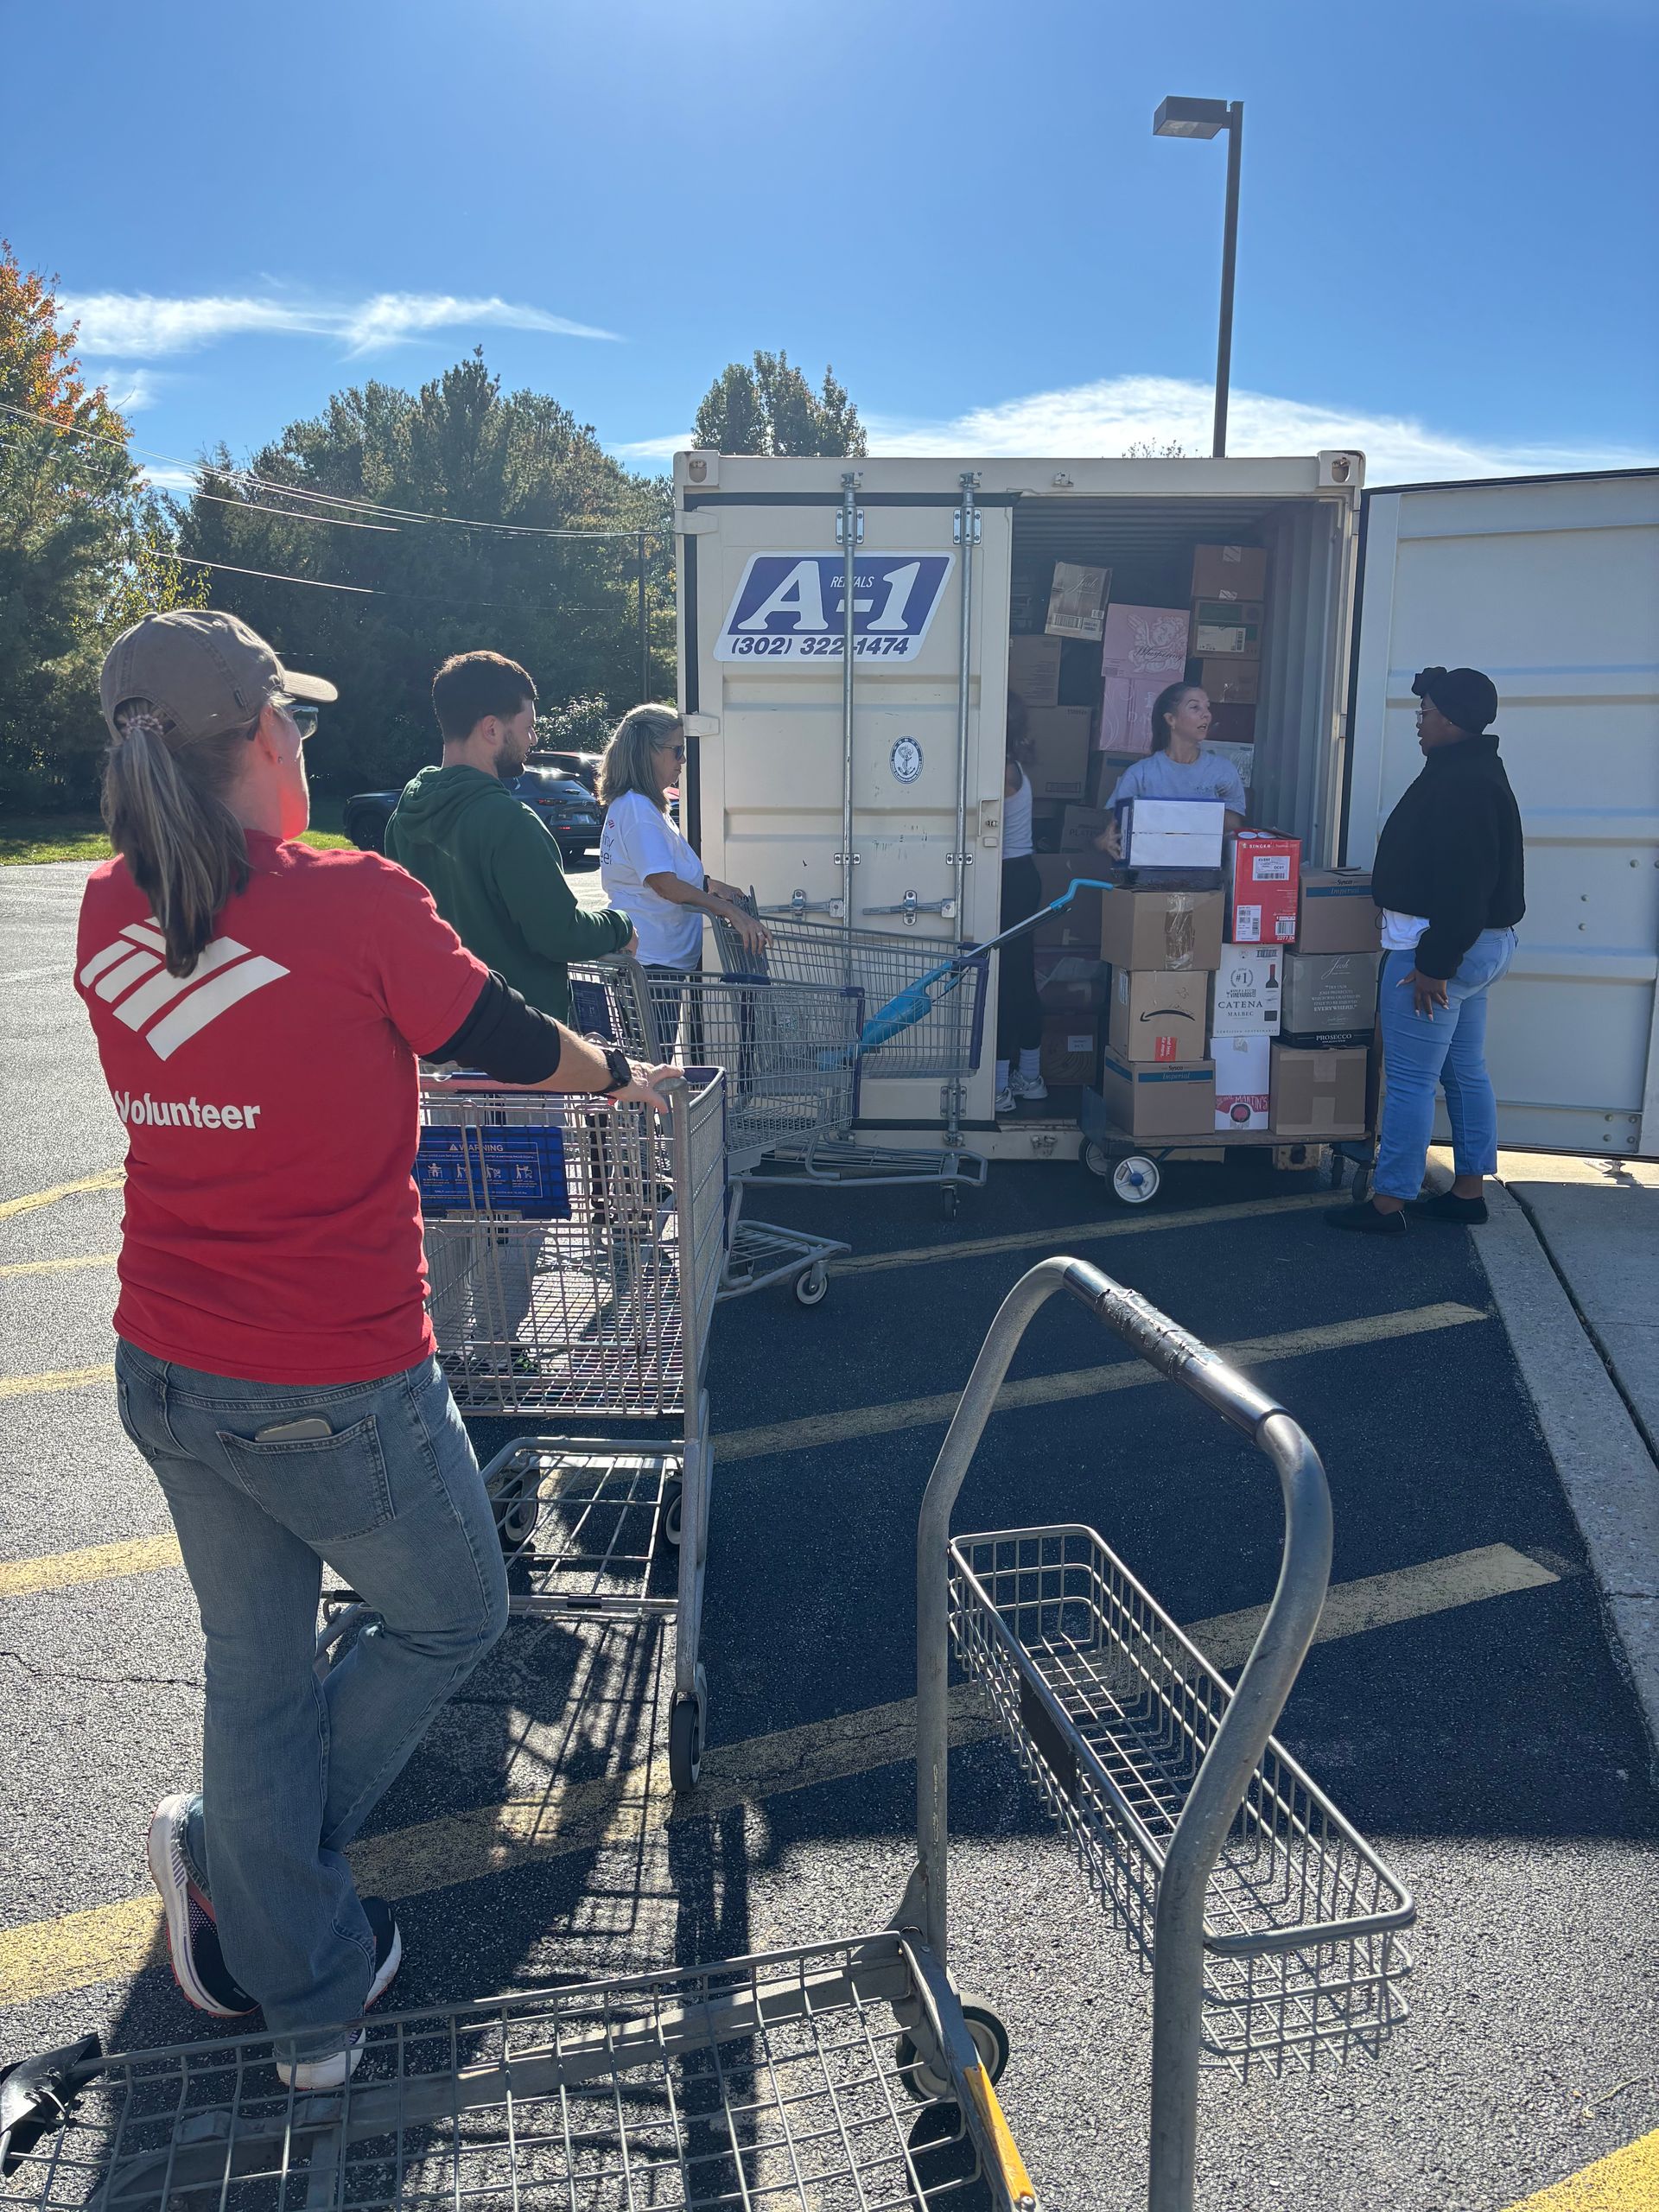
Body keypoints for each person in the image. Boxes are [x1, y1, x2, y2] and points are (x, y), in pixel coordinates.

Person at [79, 610, 673, 2090]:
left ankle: (262, 1913)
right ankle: (287, 1942)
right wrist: (625, 1077)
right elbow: (505, 1037)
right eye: (300, 725)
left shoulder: (105, 908)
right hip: (333, 1375)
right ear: (267, 737)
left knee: (258, 1668)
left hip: (166, 1357)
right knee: (454, 1614)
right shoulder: (352, 904)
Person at [1326, 664, 1524, 1238]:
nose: (1419, 722)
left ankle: (1389, 1202)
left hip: (1438, 955)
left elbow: (1467, 886)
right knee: (1465, 1071)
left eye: (1428, 713)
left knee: (1412, 1082)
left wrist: (1434, 965)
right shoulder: (1475, 769)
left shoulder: (1462, 783)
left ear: (1455, 721)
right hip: (1477, 951)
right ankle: (1467, 1192)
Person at [385, 651, 635, 1025]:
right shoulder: (510, 822)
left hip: (442, 1034)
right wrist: (621, 925)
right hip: (519, 1042)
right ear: (491, 729)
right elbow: (559, 934)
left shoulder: (403, 817)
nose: (533, 739)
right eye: (528, 726)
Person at [598, 703, 766, 1022]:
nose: (683, 760)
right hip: (649, 965)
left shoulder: (642, 806)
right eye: (677, 751)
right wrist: (728, 911)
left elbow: (659, 873)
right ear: (647, 752)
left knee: (651, 1061)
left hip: (654, 964)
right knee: (650, 1064)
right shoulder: (637, 809)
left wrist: (712, 887)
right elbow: (664, 884)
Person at [1091, 683, 1248, 859]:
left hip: (1208, 879)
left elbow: (1235, 829)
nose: (1207, 715)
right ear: (1171, 720)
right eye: (1195, 707)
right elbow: (1111, 833)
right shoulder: (1140, 774)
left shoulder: (1223, 770)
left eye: (1207, 707)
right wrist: (1105, 842)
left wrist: (1190, 814)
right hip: (1146, 881)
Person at [995, 692, 1046, 1113]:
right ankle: (1027, 1076)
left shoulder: (1002, 769)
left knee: (1006, 980)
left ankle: (1003, 1083)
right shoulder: (1013, 765)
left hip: (1011, 880)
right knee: (1015, 976)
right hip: (1018, 878)